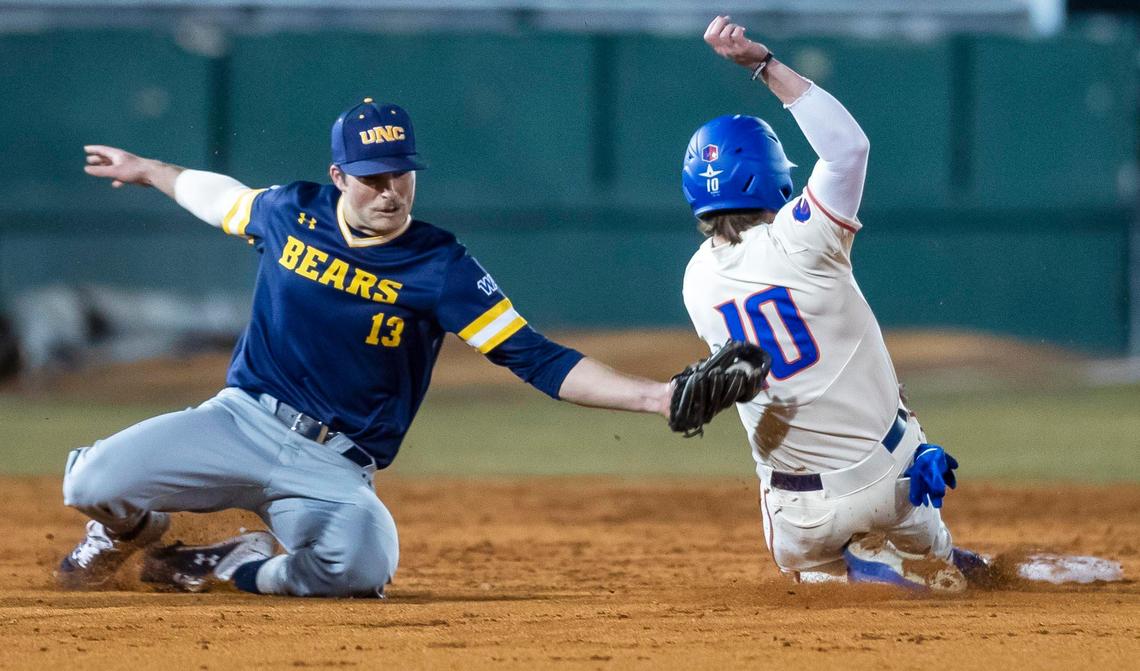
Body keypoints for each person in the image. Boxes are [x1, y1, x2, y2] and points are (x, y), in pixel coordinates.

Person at [58, 97, 762, 597]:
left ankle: (226, 565)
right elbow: (217, 195)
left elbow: (536, 356)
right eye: (372, 176)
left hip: (334, 466)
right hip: (238, 420)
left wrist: (657, 395)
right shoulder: (288, 212)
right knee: (86, 483)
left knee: (362, 566)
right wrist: (149, 168)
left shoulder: (441, 267)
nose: (391, 190)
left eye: (402, 172)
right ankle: (133, 531)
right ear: (338, 177)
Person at [681, 16, 988, 590]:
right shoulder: (804, 234)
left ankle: (851, 572)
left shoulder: (696, 282)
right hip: (900, 476)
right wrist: (762, 64)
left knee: (801, 562)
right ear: (773, 178)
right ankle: (937, 551)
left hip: (807, 511)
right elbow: (848, 149)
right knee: (930, 531)